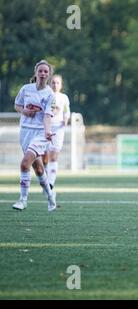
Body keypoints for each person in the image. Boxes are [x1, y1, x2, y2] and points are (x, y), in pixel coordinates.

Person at [12, 60, 57, 212]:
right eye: (40, 71)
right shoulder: (26, 89)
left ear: (49, 74)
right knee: (38, 169)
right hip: (25, 131)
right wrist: (24, 111)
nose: (43, 73)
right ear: (36, 73)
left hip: (39, 133)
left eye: (46, 71)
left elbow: (47, 116)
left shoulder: (50, 94)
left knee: (25, 163)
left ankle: (22, 200)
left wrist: (47, 131)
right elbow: (17, 105)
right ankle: (51, 196)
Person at [42, 74, 71, 190]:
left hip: (58, 128)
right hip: (45, 127)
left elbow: (66, 111)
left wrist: (65, 120)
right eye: (53, 82)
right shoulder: (45, 95)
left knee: (53, 156)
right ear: (49, 84)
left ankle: (50, 183)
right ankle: (44, 179)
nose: (55, 85)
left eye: (57, 83)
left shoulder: (63, 97)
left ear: (61, 85)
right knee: (44, 158)